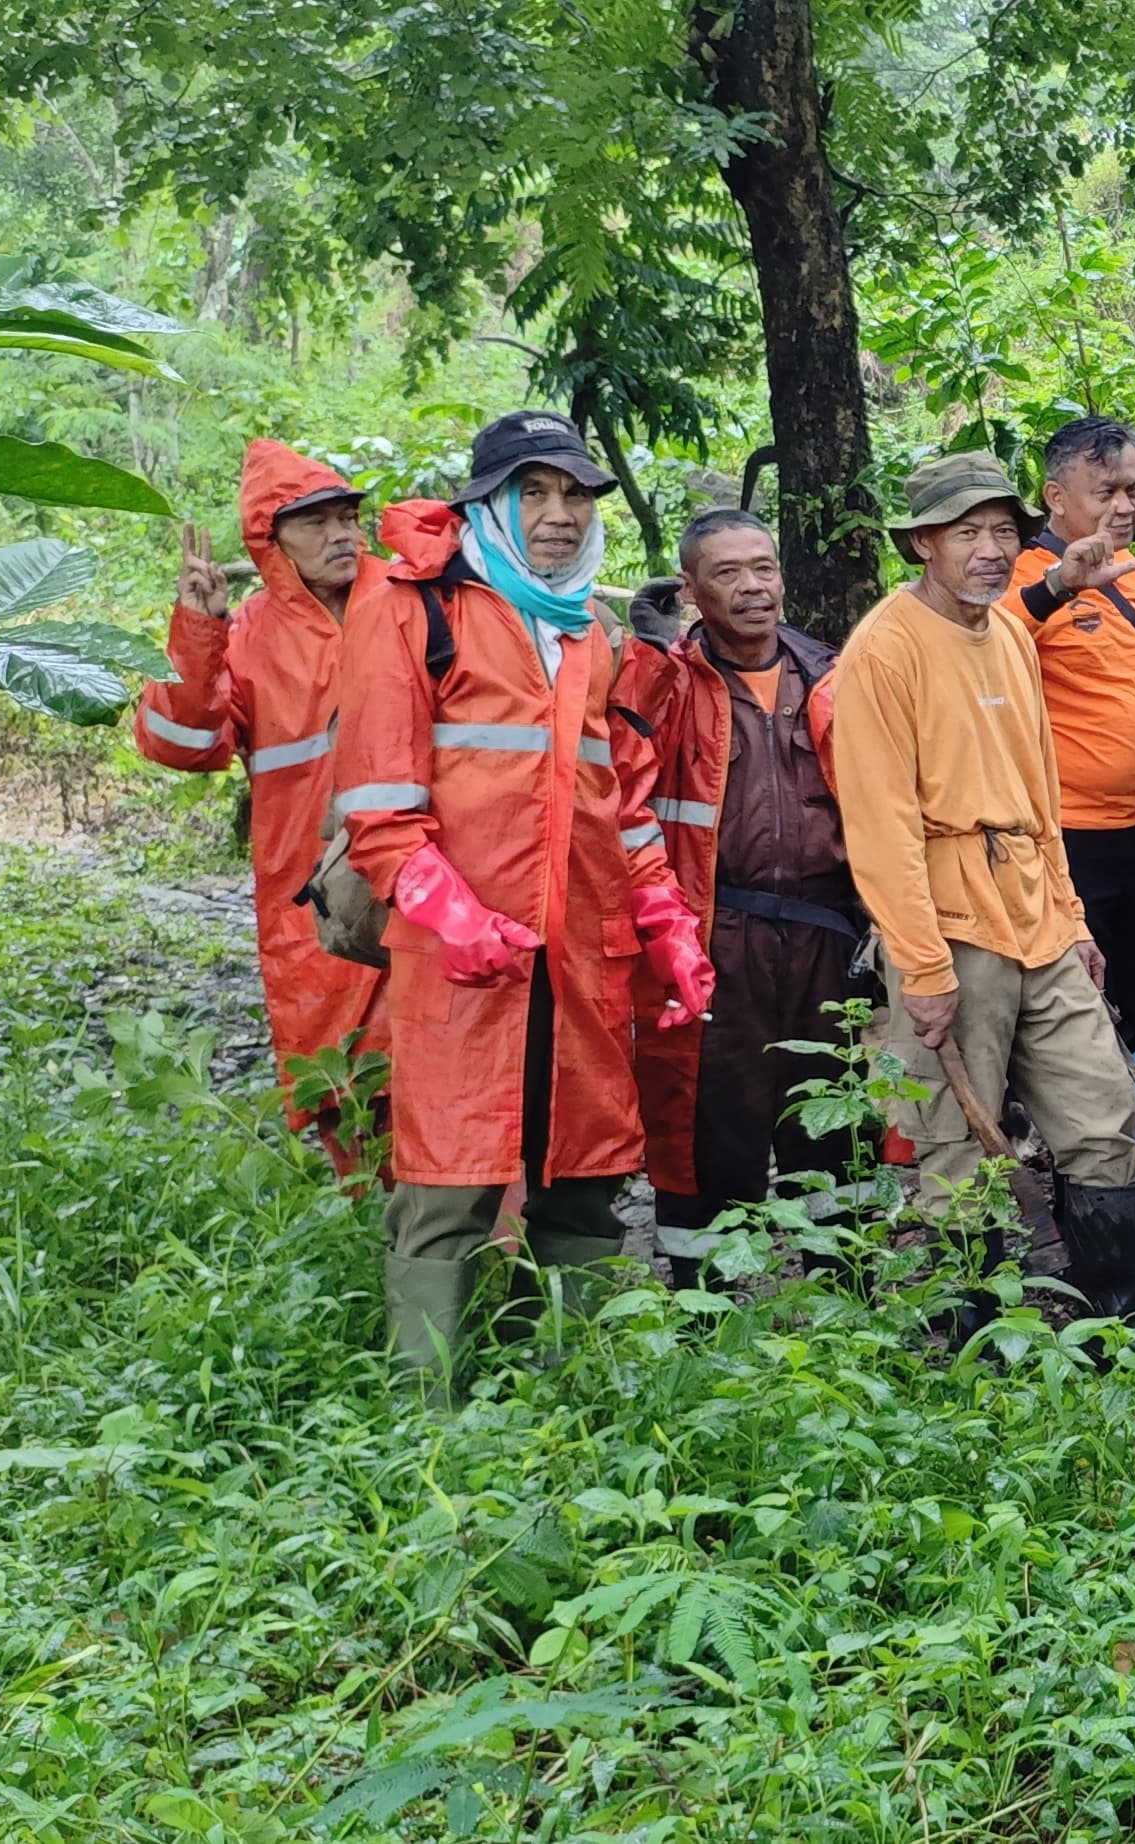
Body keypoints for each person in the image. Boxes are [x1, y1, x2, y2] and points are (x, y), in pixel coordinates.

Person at [327, 412, 707, 1380]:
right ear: (487, 502)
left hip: (576, 962)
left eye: (575, 494)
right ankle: (431, 1420)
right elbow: (378, 813)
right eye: (534, 492)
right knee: (448, 1187)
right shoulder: (413, 609)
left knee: (583, 1175)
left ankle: (566, 1395)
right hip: (459, 963)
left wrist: (665, 923)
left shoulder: (589, 631)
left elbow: (618, 804)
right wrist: (455, 915)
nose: (559, 514)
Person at [829, 451, 1135, 1330]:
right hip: (952, 922)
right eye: (964, 532)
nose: (986, 549)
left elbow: (1039, 794)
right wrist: (922, 963)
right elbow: (881, 823)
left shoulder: (1008, 630)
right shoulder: (884, 652)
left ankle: (1112, 1330)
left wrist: (1072, 915)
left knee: (1101, 1114)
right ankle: (980, 1358)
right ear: (922, 545)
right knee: (957, 1150)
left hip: (1039, 918)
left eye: (1000, 532)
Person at [626, 510, 865, 1283]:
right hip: (711, 934)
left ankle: (848, 1302)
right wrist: (647, 652)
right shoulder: (669, 679)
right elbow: (617, 773)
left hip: (828, 939)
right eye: (728, 574)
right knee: (708, 1128)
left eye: (763, 567)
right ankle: (706, 1312)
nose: (753, 587)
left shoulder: (830, 672)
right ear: (691, 590)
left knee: (832, 1124)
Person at [133, 440, 382, 1147]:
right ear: (271, 542)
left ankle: (474, 1246)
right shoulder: (242, 638)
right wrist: (198, 632)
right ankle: (381, 1244)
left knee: (452, 1069)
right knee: (341, 1086)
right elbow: (178, 745)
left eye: (347, 517)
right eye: (317, 523)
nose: (341, 535)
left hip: (424, 879)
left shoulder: (406, 603)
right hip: (316, 897)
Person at [1008, 415, 1135, 1048]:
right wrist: (1059, 586)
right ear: (1056, 497)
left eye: (1134, 490)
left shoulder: (1130, 571)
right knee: (1081, 1010)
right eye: (1106, 491)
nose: (1124, 505)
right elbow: (985, 645)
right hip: (1067, 837)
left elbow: (1129, 701)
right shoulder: (1021, 576)